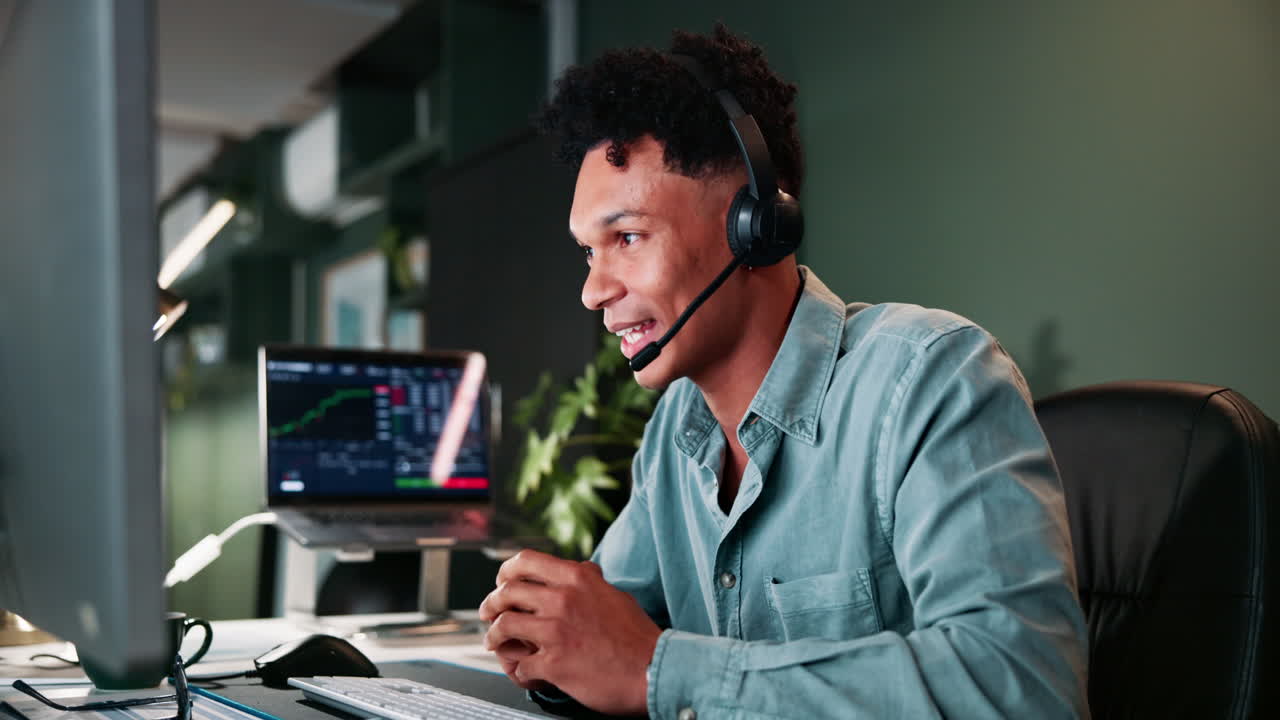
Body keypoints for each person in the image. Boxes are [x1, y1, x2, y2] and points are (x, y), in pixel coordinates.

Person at [479, 24, 1089, 719]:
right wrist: (551, 642)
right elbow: (610, 629)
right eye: (589, 252)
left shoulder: (932, 380)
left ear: (756, 225)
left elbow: (1025, 690)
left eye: (627, 237)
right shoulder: (678, 431)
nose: (594, 291)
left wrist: (659, 668)